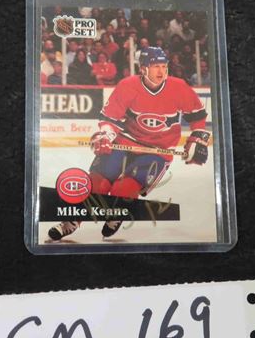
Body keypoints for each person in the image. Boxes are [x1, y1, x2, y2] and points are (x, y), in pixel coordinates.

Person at [48, 46, 209, 242]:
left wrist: (197, 139)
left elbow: (198, 117)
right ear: (143, 68)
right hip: (124, 141)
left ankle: (117, 214)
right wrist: (106, 135)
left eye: (163, 66)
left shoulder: (179, 87)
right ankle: (72, 220)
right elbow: (110, 119)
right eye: (155, 66)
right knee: (98, 181)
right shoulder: (127, 86)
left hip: (158, 151)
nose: (161, 71)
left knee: (123, 188)